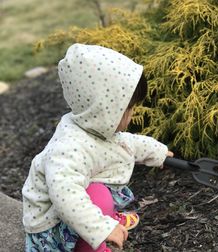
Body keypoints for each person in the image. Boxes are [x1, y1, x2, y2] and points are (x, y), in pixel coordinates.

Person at [22, 43, 174, 252]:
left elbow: (126, 143)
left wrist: (158, 153)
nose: (131, 114)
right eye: (128, 108)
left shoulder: (92, 126)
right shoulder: (68, 148)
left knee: (98, 194)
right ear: (104, 108)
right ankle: (92, 245)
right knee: (99, 197)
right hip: (51, 227)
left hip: (73, 211)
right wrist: (101, 228)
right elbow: (66, 198)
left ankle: (102, 218)